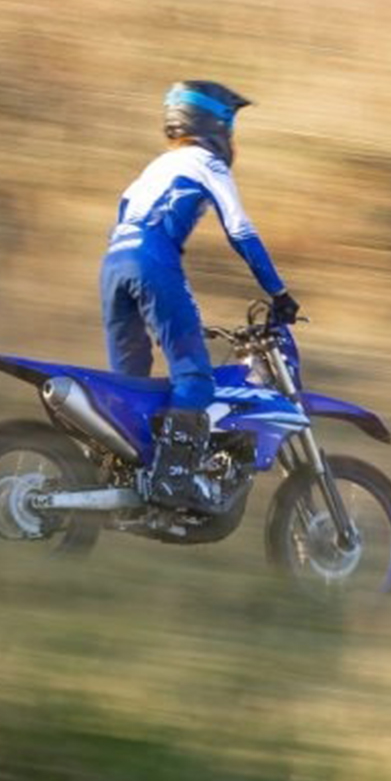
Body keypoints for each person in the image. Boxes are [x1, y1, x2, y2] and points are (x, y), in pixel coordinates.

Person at [100, 80, 300, 513]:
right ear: (213, 125)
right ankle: (172, 480)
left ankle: (121, 471)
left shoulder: (153, 169)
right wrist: (278, 292)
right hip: (153, 260)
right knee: (195, 378)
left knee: (132, 385)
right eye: (230, 127)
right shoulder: (207, 163)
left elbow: (123, 222)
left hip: (113, 265)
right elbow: (241, 230)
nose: (231, 139)